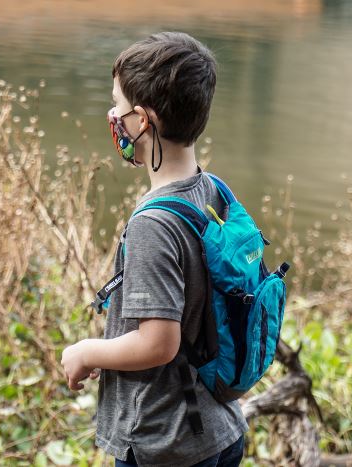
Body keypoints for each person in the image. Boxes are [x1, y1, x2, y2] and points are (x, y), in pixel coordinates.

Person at [61, 31, 248, 467]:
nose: (113, 115)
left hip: (167, 444)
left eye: (118, 105)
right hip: (219, 429)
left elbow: (158, 343)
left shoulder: (153, 225)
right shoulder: (215, 191)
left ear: (141, 120)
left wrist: (86, 352)